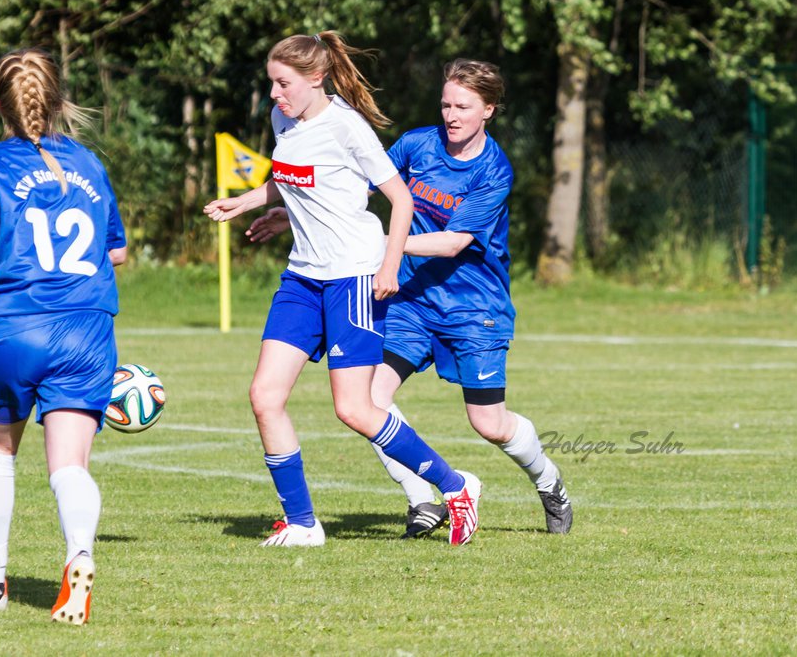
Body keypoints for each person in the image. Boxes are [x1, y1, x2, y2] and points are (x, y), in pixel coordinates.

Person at [248, 58, 572, 538]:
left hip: (473, 307)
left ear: (489, 109)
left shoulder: (493, 170)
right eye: (446, 104)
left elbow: (453, 243)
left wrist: (373, 248)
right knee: (368, 400)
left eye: (463, 106)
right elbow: (355, 180)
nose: (451, 115)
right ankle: (423, 497)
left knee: (489, 423)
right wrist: (294, 215)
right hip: (409, 298)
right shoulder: (418, 144)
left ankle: (548, 481)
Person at [204, 31, 483, 547]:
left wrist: (390, 265)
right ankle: (303, 523)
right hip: (302, 276)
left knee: (354, 409)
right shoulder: (283, 119)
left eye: (283, 84)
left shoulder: (347, 127)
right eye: (271, 83)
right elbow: (291, 177)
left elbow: (400, 201)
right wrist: (252, 205)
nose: (274, 94)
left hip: (353, 275)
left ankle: (455, 486)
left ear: (316, 78)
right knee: (264, 396)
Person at [0, 48, 128, 625]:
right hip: (86, 329)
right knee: (69, 463)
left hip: (14, 326)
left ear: (1, 106)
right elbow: (115, 249)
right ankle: (80, 557)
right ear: (58, 99)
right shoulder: (89, 166)